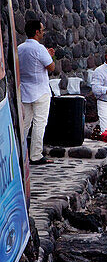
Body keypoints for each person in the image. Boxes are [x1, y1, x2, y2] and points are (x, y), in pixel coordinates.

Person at [17, 20, 55, 165]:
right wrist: (49, 55)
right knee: (40, 123)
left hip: (25, 90)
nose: (43, 32)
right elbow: (51, 67)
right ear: (37, 32)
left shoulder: (20, 48)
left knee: (25, 124)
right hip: (40, 90)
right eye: (42, 30)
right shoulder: (39, 49)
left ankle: (20, 153)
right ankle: (36, 154)